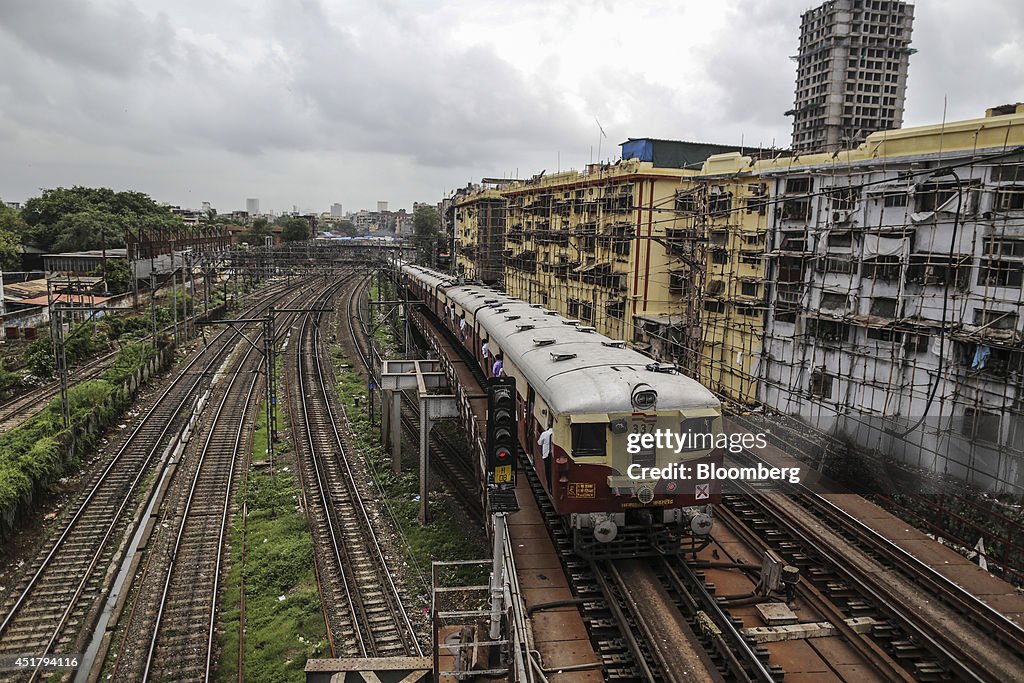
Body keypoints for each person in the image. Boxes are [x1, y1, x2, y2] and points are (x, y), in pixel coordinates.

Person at [538, 422, 554, 489]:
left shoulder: (544, 434)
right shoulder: (557, 434)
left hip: (546, 455)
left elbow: (539, 442)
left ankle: (549, 486)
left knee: (548, 472)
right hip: (554, 456)